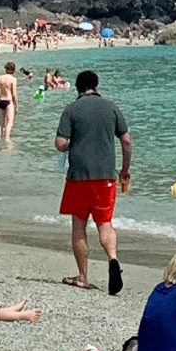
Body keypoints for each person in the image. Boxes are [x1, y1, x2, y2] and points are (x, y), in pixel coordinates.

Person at [54, 65, 128, 294]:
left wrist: (73, 141)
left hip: (78, 177)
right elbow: (126, 141)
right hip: (105, 177)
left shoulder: (71, 109)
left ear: (78, 88)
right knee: (105, 223)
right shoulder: (111, 107)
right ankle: (113, 258)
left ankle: (83, 277)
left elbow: (60, 144)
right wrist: (125, 169)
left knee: (79, 225)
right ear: (96, 86)